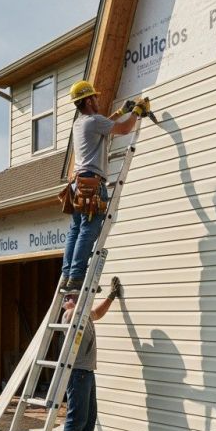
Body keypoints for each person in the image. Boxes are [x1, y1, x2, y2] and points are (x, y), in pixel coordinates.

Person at [60, 80, 149, 294]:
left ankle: (67, 276)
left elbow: (104, 125)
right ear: (89, 100)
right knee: (88, 231)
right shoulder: (93, 121)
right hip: (91, 183)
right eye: (95, 97)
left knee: (75, 230)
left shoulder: (81, 123)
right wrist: (137, 112)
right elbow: (126, 129)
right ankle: (77, 277)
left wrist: (120, 111)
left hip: (78, 184)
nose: (98, 100)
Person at [58, 277, 123, 431]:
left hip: (87, 372)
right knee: (77, 416)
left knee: (89, 416)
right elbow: (74, 312)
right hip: (76, 373)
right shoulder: (70, 314)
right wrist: (86, 293)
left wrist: (111, 297)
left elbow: (96, 313)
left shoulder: (84, 314)